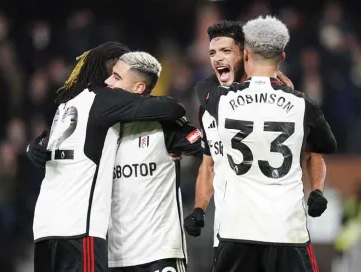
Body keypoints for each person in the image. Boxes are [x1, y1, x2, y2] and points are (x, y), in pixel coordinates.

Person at [28, 42, 186, 272]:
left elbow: (44, 146)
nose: (116, 79)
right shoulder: (103, 100)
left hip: (44, 228)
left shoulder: (66, 105)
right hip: (79, 228)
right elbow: (173, 108)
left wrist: (31, 147)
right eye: (117, 70)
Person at [195, 16, 336, 272]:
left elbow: (203, 88)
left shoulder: (220, 103)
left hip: (235, 230)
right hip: (285, 231)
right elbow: (324, 148)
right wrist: (316, 190)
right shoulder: (302, 104)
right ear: (282, 57)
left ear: (245, 54)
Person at [104, 51, 201, 272]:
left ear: (139, 88)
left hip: (159, 254)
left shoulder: (164, 125)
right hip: (115, 258)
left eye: (117, 77)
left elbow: (208, 149)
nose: (108, 82)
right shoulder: (103, 128)